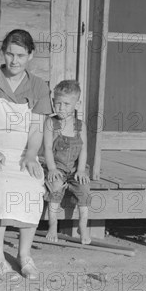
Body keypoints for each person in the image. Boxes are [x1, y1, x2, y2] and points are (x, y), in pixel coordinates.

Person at [0, 29, 52, 280]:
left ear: (31, 55)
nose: (14, 60)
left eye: (20, 55)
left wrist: (31, 155)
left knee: (33, 185)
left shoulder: (38, 86)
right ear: (2, 52)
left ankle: (24, 256)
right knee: (0, 186)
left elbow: (37, 127)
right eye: (10, 53)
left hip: (22, 153)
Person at [43, 80, 91, 244]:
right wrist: (51, 168)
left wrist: (81, 170)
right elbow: (48, 148)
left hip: (75, 169)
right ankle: (52, 224)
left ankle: (82, 225)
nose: (61, 108)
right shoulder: (51, 123)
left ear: (77, 104)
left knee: (84, 188)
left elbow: (83, 149)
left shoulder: (80, 126)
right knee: (55, 187)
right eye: (57, 103)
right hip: (56, 168)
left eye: (66, 104)